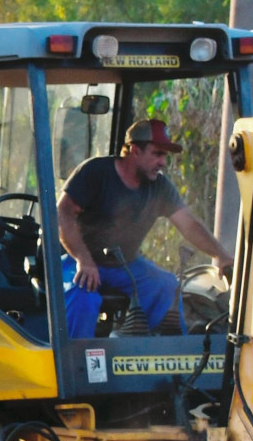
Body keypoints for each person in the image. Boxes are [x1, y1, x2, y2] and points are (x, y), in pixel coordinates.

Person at [59, 118, 234, 339]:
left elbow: (189, 224)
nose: (162, 162)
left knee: (167, 286)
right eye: (157, 154)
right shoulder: (96, 172)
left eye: (165, 156)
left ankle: (173, 361)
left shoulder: (159, 187)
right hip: (80, 262)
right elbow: (63, 213)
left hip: (128, 266)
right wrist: (83, 259)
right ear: (134, 151)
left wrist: (222, 255)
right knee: (83, 297)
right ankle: (78, 367)